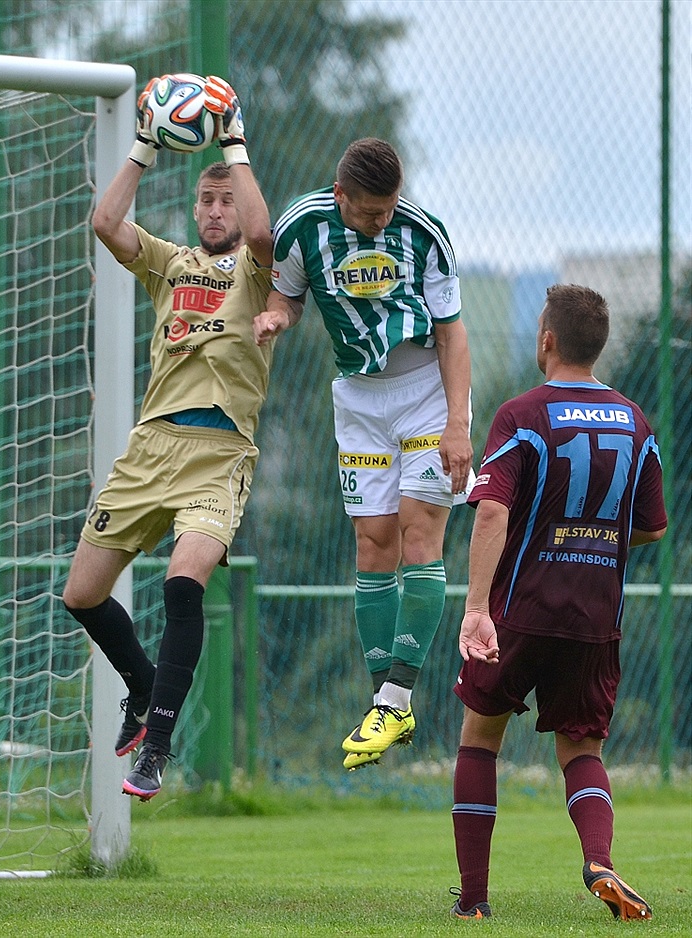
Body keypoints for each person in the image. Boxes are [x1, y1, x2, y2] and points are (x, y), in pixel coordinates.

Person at [62, 74, 274, 801]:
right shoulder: (170, 263)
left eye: (226, 199)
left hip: (219, 455)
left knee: (183, 585)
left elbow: (263, 232)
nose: (217, 210)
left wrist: (233, 143)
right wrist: (147, 142)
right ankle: (143, 684)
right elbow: (106, 221)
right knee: (82, 594)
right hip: (151, 447)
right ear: (192, 208)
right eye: (207, 199)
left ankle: (157, 743)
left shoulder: (253, 268)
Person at [253, 138, 475, 771]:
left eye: (390, 208)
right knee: (372, 542)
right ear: (340, 193)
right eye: (371, 211)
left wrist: (458, 423)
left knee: (417, 537)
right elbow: (287, 296)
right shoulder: (301, 228)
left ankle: (396, 695)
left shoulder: (426, 236)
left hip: (427, 394)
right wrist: (276, 318)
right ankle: (389, 703)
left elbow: (453, 333)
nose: (382, 220)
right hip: (357, 399)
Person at [449, 284, 667, 920]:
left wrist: (477, 606)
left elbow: (492, 509)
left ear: (547, 339)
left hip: (522, 608)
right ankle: (599, 859)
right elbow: (652, 525)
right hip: (597, 616)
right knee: (581, 750)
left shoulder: (522, 415)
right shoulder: (636, 421)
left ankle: (474, 902)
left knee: (480, 737)